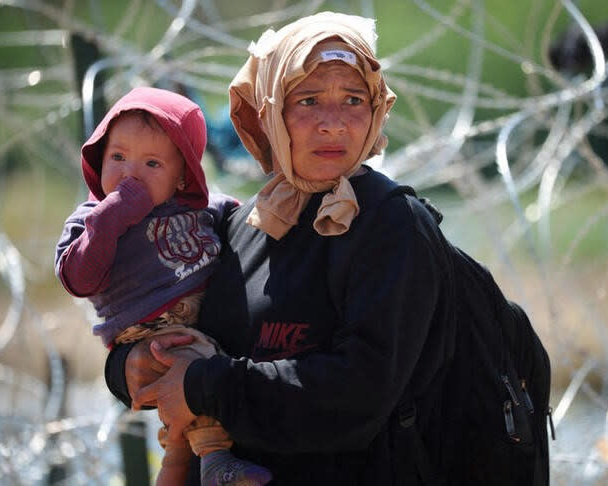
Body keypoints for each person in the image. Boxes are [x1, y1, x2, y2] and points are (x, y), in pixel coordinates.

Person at [105, 12, 455, 485]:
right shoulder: (240, 223)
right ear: (267, 113)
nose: (332, 124)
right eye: (308, 100)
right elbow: (169, 324)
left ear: (376, 110)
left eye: (353, 100)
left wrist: (205, 385)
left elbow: (359, 394)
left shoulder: (392, 225)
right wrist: (132, 365)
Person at [54, 86, 272, 486]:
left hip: (200, 324)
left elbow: (246, 229)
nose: (130, 174)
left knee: (206, 382)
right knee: (196, 373)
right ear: (98, 157)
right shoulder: (91, 218)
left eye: (152, 163)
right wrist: (110, 220)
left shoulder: (203, 209)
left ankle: (177, 466)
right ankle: (215, 459)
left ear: (182, 176)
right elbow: (77, 278)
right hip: (149, 330)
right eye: (117, 157)